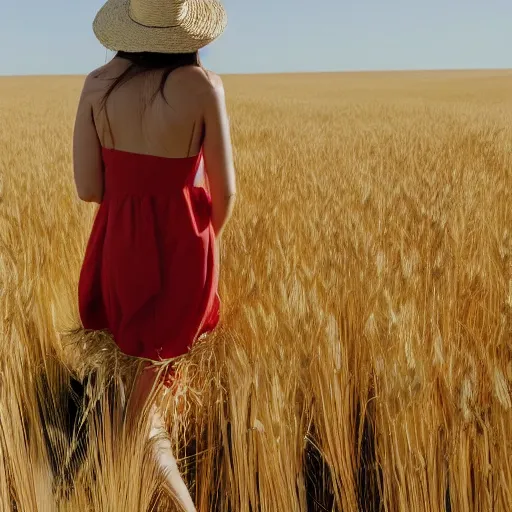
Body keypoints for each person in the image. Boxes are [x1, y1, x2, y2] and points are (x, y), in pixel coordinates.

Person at [72, 0, 236, 509]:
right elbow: (226, 192)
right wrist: (201, 245)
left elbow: (88, 188)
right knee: (150, 396)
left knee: (144, 389)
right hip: (186, 249)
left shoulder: (97, 85)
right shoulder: (204, 87)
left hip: (121, 246)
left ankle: (115, 478)